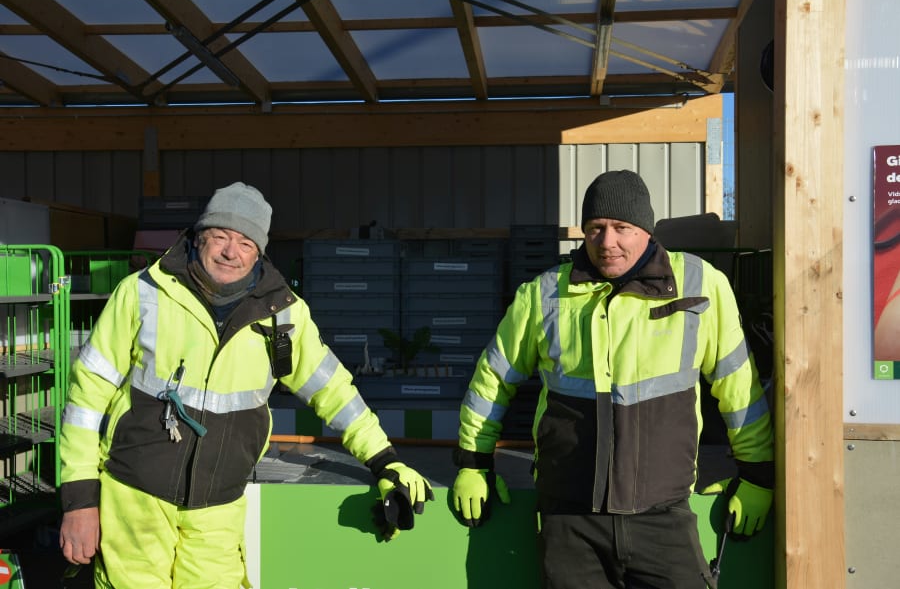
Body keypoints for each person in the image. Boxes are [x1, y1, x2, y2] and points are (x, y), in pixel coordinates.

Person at [58, 182, 433, 588]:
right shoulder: (144, 293)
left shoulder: (281, 316)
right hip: (134, 498)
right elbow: (86, 398)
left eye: (245, 243)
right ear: (198, 238)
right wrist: (80, 499)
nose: (230, 252)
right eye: (219, 236)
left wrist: (384, 459)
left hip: (217, 508)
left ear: (260, 252)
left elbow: (333, 390)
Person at [450, 170, 774, 588]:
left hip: (664, 515)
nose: (608, 243)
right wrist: (474, 462)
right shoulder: (544, 294)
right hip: (570, 519)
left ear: (646, 229)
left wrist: (756, 474)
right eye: (595, 229)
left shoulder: (699, 284)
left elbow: (738, 385)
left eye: (622, 228)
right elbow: (492, 380)